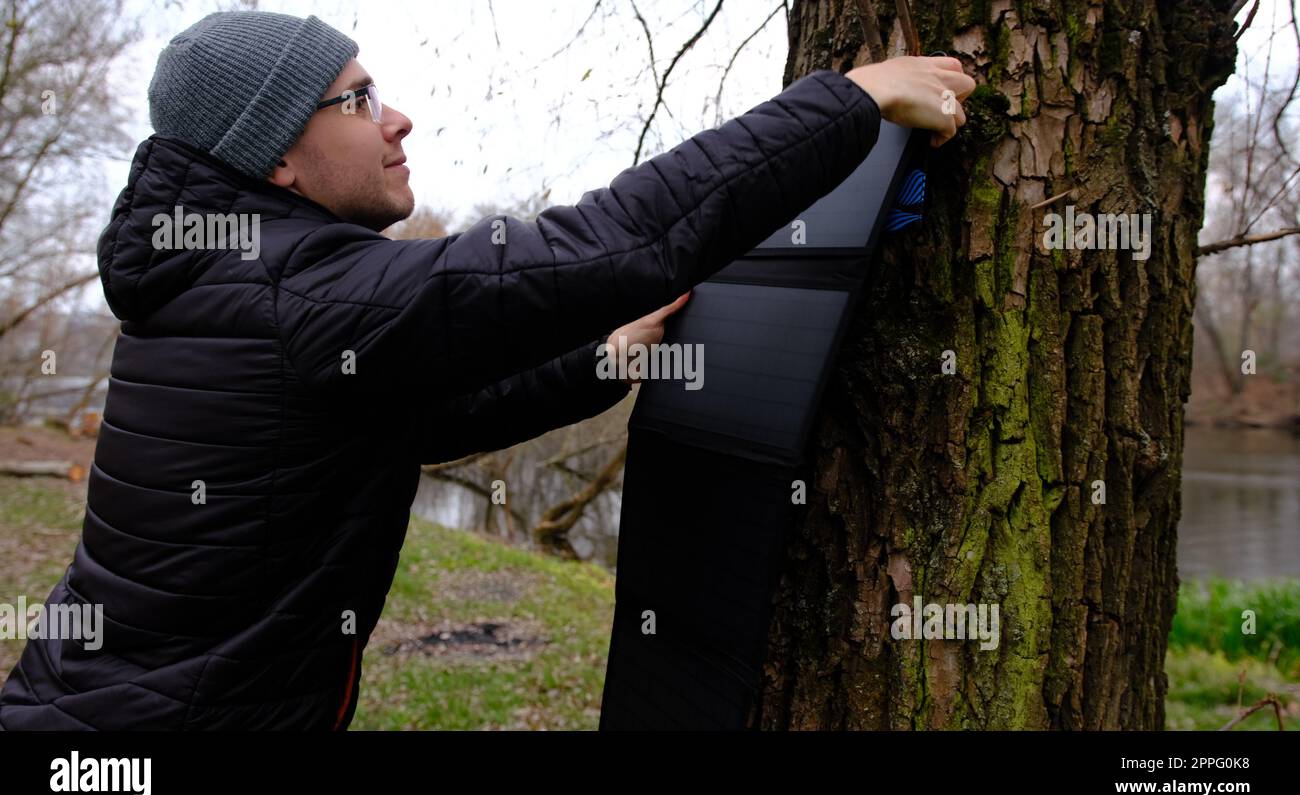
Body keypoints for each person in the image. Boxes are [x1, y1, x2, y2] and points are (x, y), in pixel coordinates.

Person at [0, 10, 973, 730]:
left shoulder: (222, 285)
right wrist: (847, 101)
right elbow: (612, 243)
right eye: (359, 100)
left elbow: (412, 422)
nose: (400, 119)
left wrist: (600, 359)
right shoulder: (300, 292)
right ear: (278, 160)